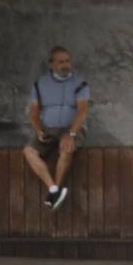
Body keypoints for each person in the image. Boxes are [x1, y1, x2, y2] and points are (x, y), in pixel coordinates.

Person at [23, 46, 90, 209]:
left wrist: (72, 133)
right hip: (48, 128)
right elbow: (33, 113)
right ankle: (53, 189)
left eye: (67, 61)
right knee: (29, 151)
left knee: (66, 148)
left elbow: (82, 112)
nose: (66, 65)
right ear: (51, 64)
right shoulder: (40, 84)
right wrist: (38, 130)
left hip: (73, 127)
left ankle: (57, 190)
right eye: (61, 62)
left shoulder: (80, 82)